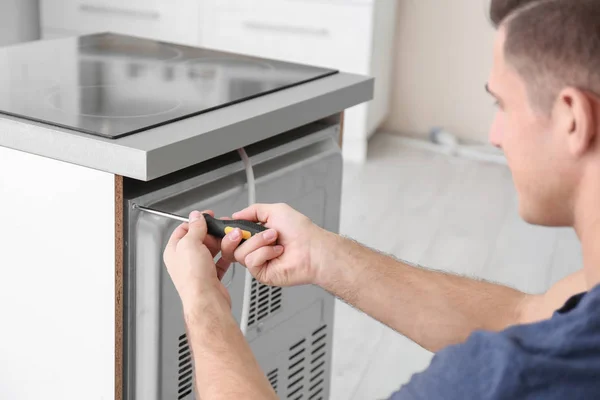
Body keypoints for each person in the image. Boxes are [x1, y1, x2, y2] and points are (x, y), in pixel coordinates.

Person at [162, 0, 600, 398]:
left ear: (572, 119)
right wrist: (321, 254)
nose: (494, 136)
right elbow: (528, 316)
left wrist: (204, 305)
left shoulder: (507, 380)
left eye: (501, 105)